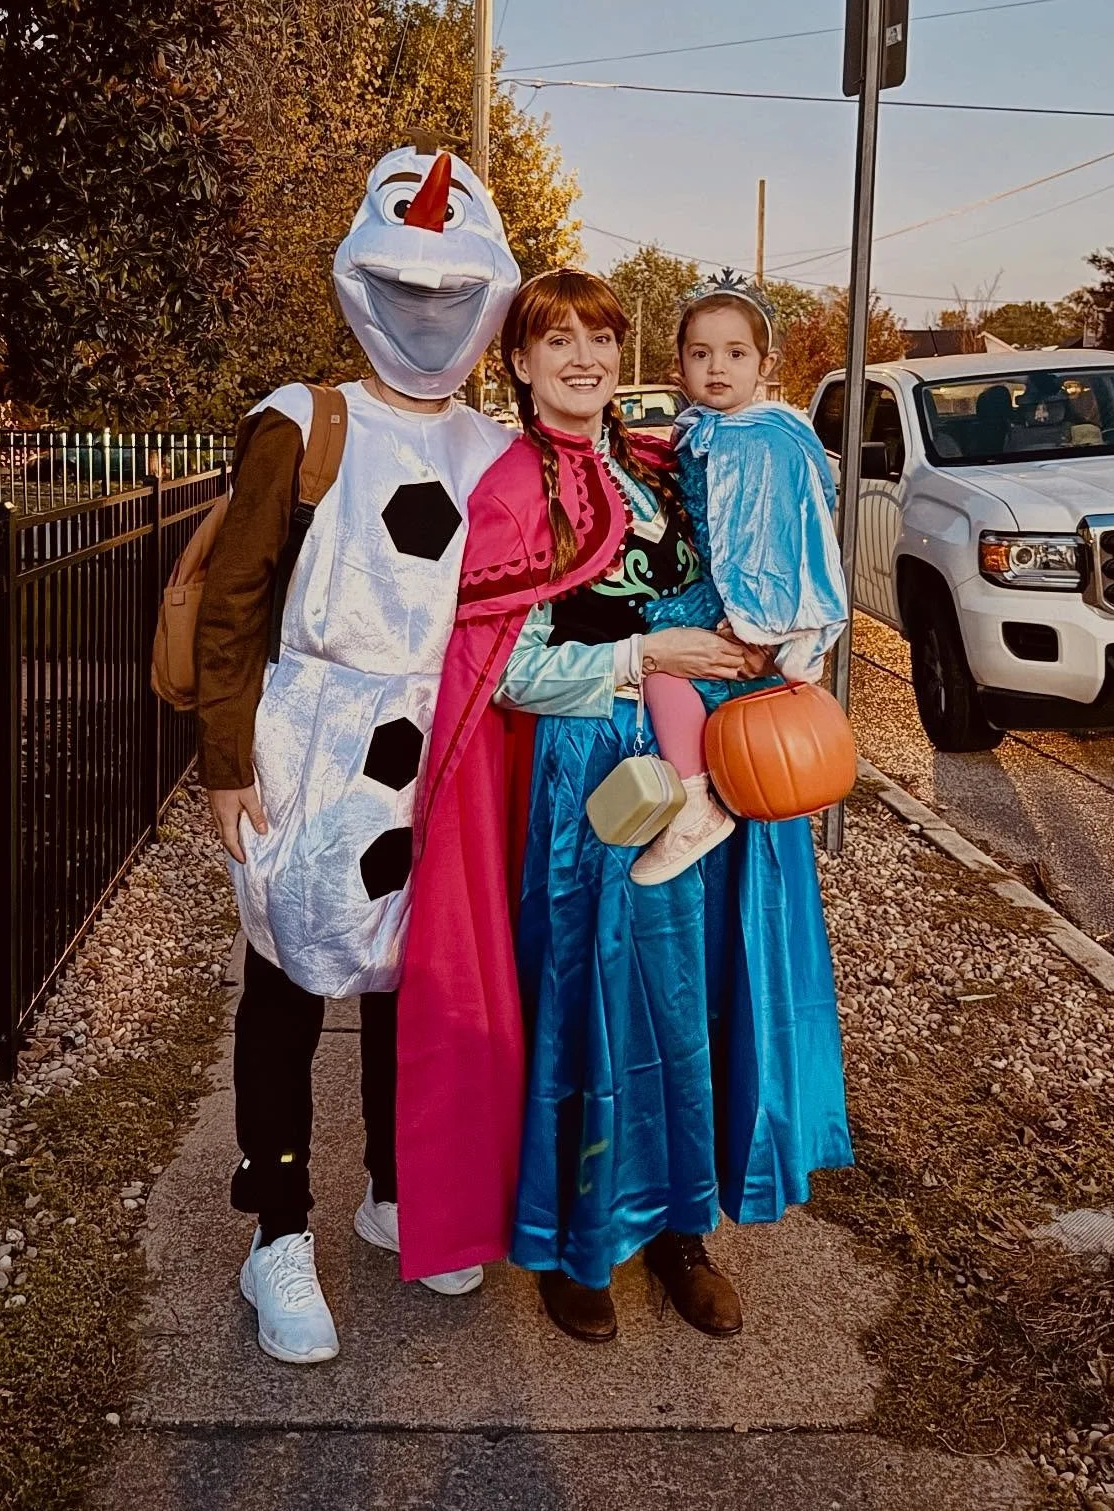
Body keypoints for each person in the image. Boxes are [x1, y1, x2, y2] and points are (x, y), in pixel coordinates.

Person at [395, 269, 853, 1345]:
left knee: (695, 1002)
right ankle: (580, 1235)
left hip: (713, 763)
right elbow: (507, 668)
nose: (584, 359)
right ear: (519, 362)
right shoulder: (514, 488)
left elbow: (762, 562)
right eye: (557, 342)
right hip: (603, 776)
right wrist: (649, 651)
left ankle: (683, 1227)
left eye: (599, 338)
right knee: (602, 1004)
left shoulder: (662, 463)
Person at [194, 143, 520, 1365]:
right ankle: (275, 1224)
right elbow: (234, 601)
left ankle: (399, 1190)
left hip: (444, 745)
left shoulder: (494, 447)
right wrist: (229, 761)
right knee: (287, 978)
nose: (427, 314)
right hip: (311, 737)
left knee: (409, 978)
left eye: (451, 294)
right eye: (409, 288)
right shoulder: (303, 421)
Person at [630, 273, 850, 884]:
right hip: (712, 578)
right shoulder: (703, 429)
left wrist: (757, 618)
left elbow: (765, 534)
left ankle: (695, 801)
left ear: (764, 363)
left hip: (737, 592)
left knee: (664, 655)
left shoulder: (757, 440)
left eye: (735, 354)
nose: (717, 367)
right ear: (679, 366)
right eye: (701, 354)